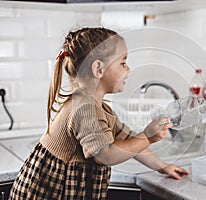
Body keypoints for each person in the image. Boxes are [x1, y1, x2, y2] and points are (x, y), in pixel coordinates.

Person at [9, 27, 189, 200]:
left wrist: (163, 166)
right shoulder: (84, 108)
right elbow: (106, 155)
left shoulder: (99, 107)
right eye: (123, 63)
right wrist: (147, 137)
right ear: (99, 69)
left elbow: (128, 141)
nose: (128, 69)